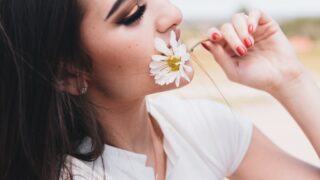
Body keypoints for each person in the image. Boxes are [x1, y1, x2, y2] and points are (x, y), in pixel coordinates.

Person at [0, 0, 319, 179]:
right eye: (133, 14)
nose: (173, 15)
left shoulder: (203, 127)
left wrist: (289, 79)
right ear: (68, 72)